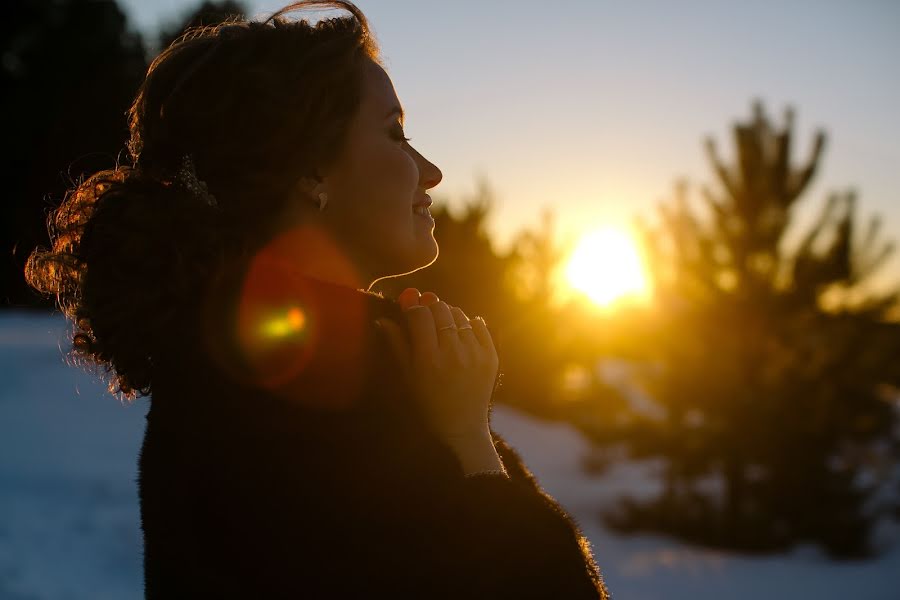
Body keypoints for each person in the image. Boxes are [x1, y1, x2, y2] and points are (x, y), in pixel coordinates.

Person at [25, 1, 610, 597]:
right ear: (311, 172)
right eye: (395, 133)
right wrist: (470, 447)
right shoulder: (357, 384)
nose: (430, 171)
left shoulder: (210, 368)